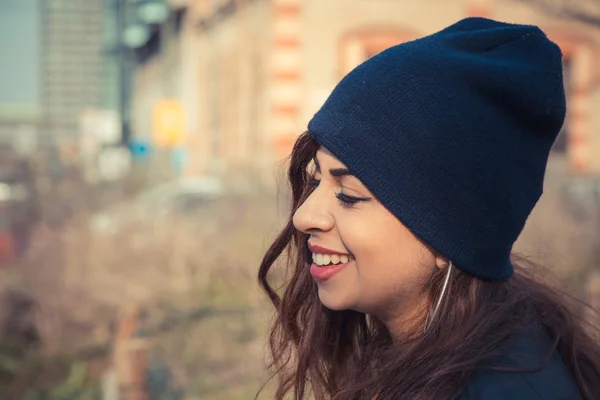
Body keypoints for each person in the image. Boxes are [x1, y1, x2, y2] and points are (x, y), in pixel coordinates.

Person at [257, 17, 600, 400]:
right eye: (316, 180)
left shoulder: (503, 388)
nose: (304, 217)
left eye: (349, 194)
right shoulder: (446, 354)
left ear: (451, 234)